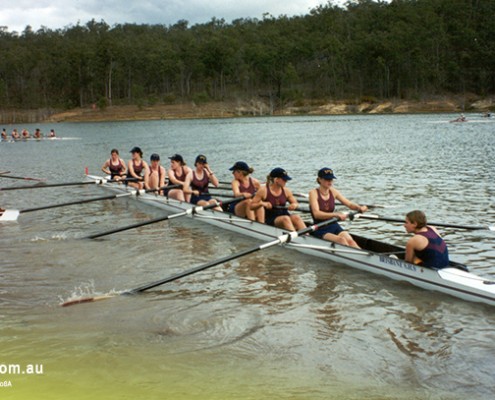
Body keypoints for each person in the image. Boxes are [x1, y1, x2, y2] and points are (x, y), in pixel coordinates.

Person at [308, 167, 367, 248]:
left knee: (350, 241)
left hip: (333, 224)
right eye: (327, 179)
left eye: (331, 179)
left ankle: (363, 257)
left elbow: (349, 204)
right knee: (341, 240)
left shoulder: (333, 191)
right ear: (320, 179)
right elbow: (316, 214)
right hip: (320, 227)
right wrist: (336, 215)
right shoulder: (313, 193)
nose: (330, 181)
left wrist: (359, 208)